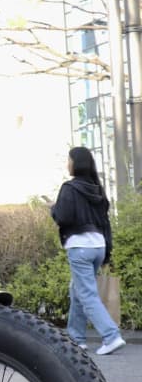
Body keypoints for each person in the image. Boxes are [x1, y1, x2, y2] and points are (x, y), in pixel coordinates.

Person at [51, 146, 125, 356]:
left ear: (76, 163)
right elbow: (105, 223)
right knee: (78, 291)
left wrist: (53, 208)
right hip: (98, 246)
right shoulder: (96, 189)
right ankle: (76, 339)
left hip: (80, 247)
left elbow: (63, 217)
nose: (67, 163)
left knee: (86, 294)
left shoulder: (70, 188)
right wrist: (107, 252)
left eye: (69, 159)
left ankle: (111, 336)